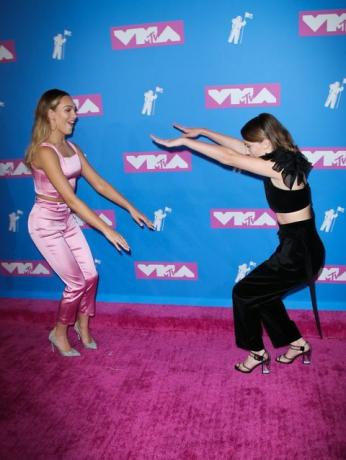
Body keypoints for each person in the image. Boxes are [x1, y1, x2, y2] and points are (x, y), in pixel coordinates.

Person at [151, 113, 325, 374]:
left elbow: (230, 157)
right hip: (300, 246)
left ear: (266, 143)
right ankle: (298, 344)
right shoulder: (280, 153)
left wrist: (186, 144)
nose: (248, 149)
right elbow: (239, 148)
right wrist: (203, 130)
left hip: (299, 253)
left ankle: (256, 352)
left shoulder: (279, 168)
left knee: (243, 293)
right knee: (264, 296)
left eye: (252, 145)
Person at [25, 89, 154, 357]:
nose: (75, 115)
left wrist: (131, 208)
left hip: (66, 221)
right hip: (45, 225)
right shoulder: (44, 152)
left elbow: (99, 184)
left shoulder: (72, 148)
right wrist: (107, 230)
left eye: (75, 109)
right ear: (51, 115)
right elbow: (71, 199)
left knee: (91, 276)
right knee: (74, 283)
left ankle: (83, 327)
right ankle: (59, 333)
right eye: (68, 110)